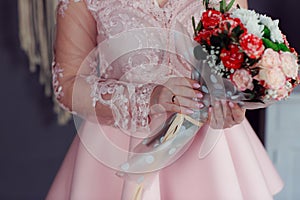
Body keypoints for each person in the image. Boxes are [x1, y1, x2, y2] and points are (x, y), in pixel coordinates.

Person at [47, 0, 283, 199]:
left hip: (211, 151)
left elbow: (238, 67)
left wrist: (232, 105)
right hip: (119, 149)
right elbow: (67, 84)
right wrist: (148, 97)